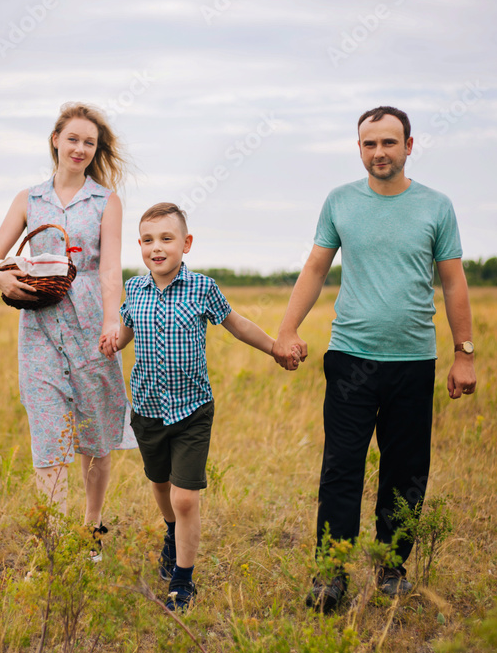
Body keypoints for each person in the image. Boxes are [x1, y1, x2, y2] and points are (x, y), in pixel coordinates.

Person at [271, 106, 477, 613]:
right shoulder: (340, 202)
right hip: (349, 358)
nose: (379, 152)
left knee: (406, 470)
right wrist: (287, 328)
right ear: (359, 148)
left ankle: (391, 567)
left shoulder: (436, 206)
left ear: (409, 146)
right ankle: (330, 573)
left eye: (389, 142)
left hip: (413, 361)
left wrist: (464, 353)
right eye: (369, 144)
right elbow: (316, 268)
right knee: (341, 467)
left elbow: (453, 282)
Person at [100, 202, 278, 611]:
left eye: (166, 238)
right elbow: (126, 329)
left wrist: (273, 347)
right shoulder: (137, 289)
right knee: (160, 486)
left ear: (186, 243)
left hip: (192, 411)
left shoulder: (202, 288)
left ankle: (182, 579)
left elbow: (237, 324)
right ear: (139, 246)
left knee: (185, 498)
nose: (156, 248)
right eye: (147, 240)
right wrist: (114, 340)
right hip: (146, 411)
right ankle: (170, 531)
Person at [0, 102, 135, 557]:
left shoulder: (106, 201)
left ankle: (91, 531)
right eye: (73, 139)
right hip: (39, 329)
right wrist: (1, 278)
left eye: (89, 142)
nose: (80, 148)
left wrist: (112, 319)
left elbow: (110, 269)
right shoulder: (28, 199)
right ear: (55, 140)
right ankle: (50, 546)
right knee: (47, 432)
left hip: (91, 325)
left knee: (95, 430)